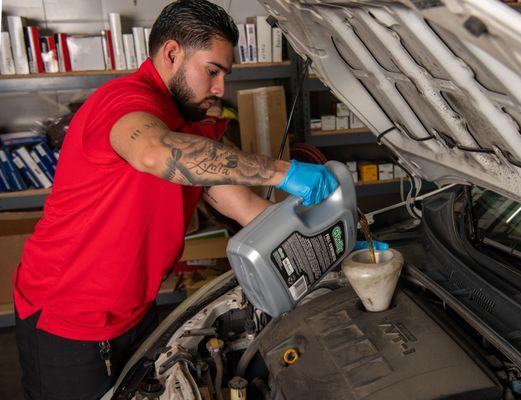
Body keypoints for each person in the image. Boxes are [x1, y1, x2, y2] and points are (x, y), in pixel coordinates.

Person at [12, 1, 338, 399]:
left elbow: (247, 208)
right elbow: (156, 150)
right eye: (212, 71)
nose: (220, 88)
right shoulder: (123, 102)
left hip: (136, 309)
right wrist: (284, 171)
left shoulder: (189, 121)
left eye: (224, 75)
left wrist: (328, 245)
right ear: (171, 53)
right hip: (68, 317)